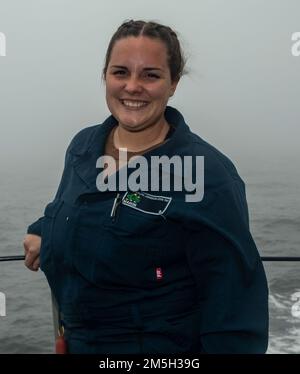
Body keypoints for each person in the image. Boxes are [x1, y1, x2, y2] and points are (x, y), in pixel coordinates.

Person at [23, 20, 269, 354]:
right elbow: (73, 208)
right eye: (120, 72)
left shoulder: (209, 175)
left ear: (174, 83)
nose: (133, 86)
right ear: (105, 76)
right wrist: (44, 232)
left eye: (150, 75)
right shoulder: (83, 147)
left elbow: (235, 311)